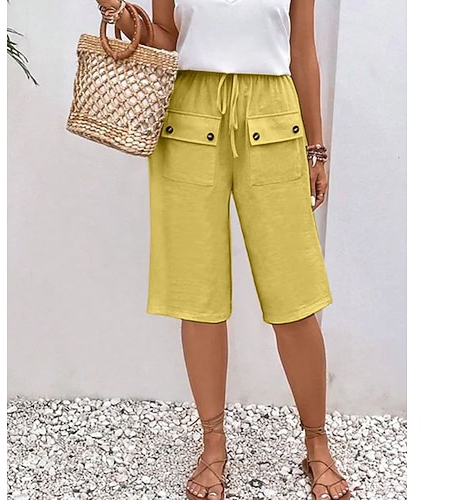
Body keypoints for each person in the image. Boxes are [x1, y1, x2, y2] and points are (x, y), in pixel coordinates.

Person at [95, 1, 350, 499]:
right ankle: (213, 445)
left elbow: (303, 50)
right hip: (189, 118)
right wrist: (118, 13)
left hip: (274, 116)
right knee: (199, 295)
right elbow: (166, 39)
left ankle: (317, 444)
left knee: (295, 295)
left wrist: (317, 147)